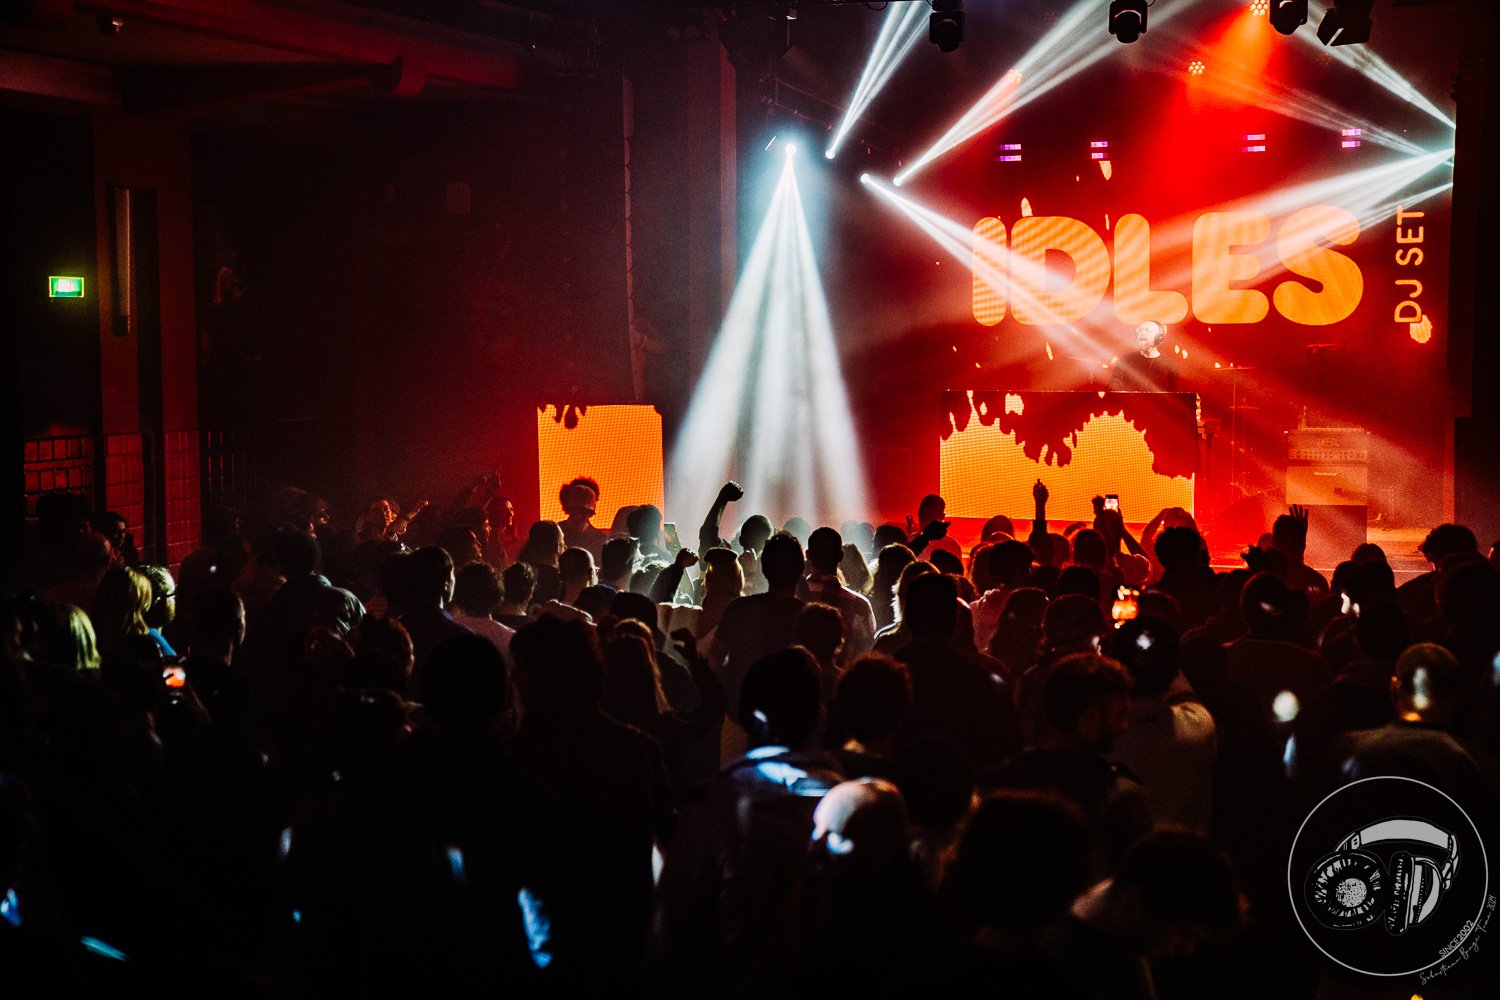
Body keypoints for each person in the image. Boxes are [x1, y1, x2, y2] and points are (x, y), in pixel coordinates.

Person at [1107, 320, 1178, 392]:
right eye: (1140, 330)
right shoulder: (1126, 360)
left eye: (1147, 331)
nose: (1142, 333)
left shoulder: (1170, 366)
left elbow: (1173, 395)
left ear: (1158, 339)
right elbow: (1114, 384)